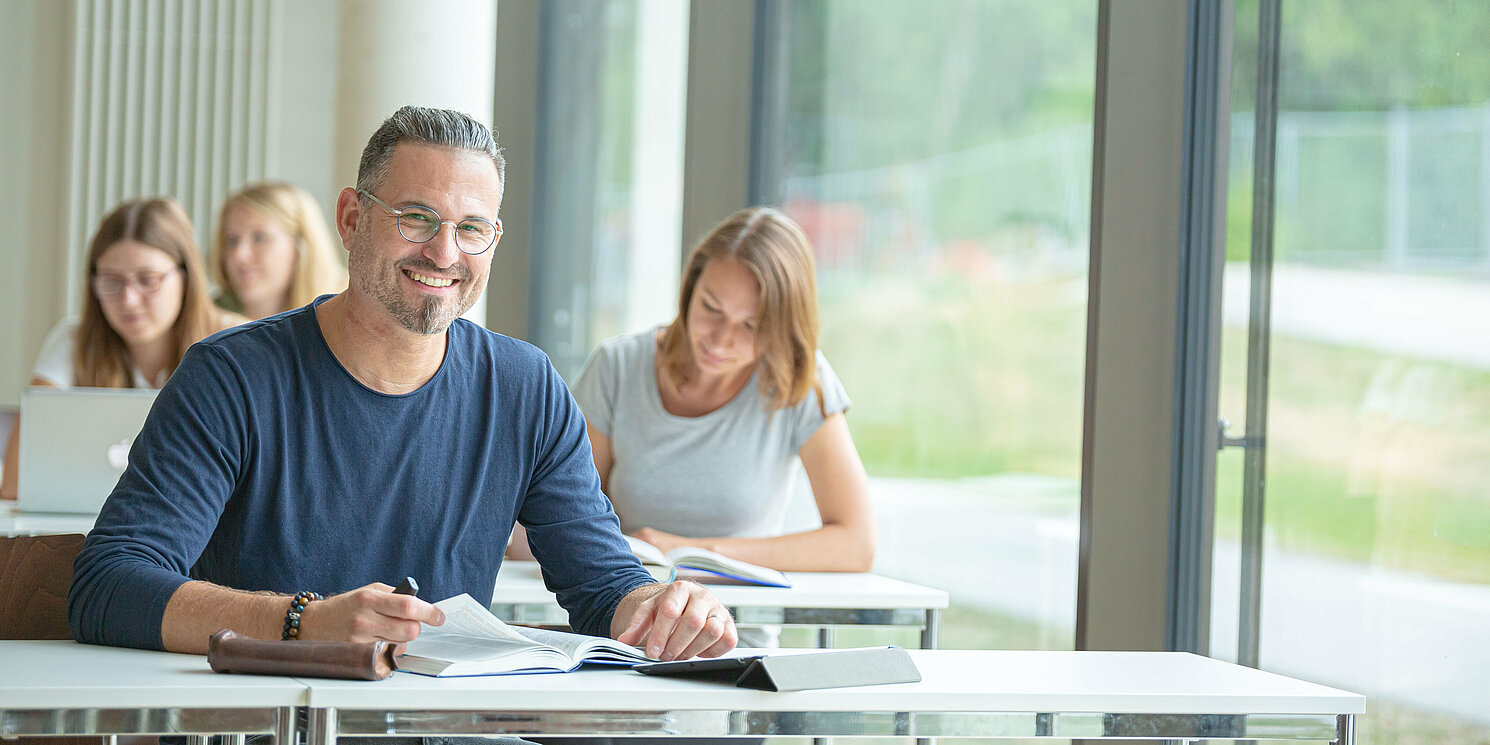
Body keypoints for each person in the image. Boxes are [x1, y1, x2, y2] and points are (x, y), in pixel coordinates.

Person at [68, 105, 736, 665]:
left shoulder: (525, 387)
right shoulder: (232, 377)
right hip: (267, 725)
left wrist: (661, 605)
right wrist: (305, 621)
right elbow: (108, 586)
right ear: (352, 219)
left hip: (445, 727)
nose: (445, 253)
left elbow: (603, 585)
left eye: (471, 229)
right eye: (416, 218)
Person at [556, 207, 875, 578]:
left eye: (751, 326)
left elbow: (856, 545)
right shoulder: (618, 367)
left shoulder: (800, 380)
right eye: (711, 308)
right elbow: (561, 518)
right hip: (624, 616)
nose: (721, 341)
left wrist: (692, 552)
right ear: (690, 289)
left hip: (740, 626)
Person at [1, 197, 244, 499]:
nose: (128, 299)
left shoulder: (235, 340)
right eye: (111, 281)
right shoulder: (74, 340)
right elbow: (14, 482)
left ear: (186, 277)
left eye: (147, 280)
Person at [212, 181, 348, 319]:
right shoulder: (206, 320)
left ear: (301, 245)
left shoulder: (344, 317)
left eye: (259, 238)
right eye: (231, 240)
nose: (240, 256)